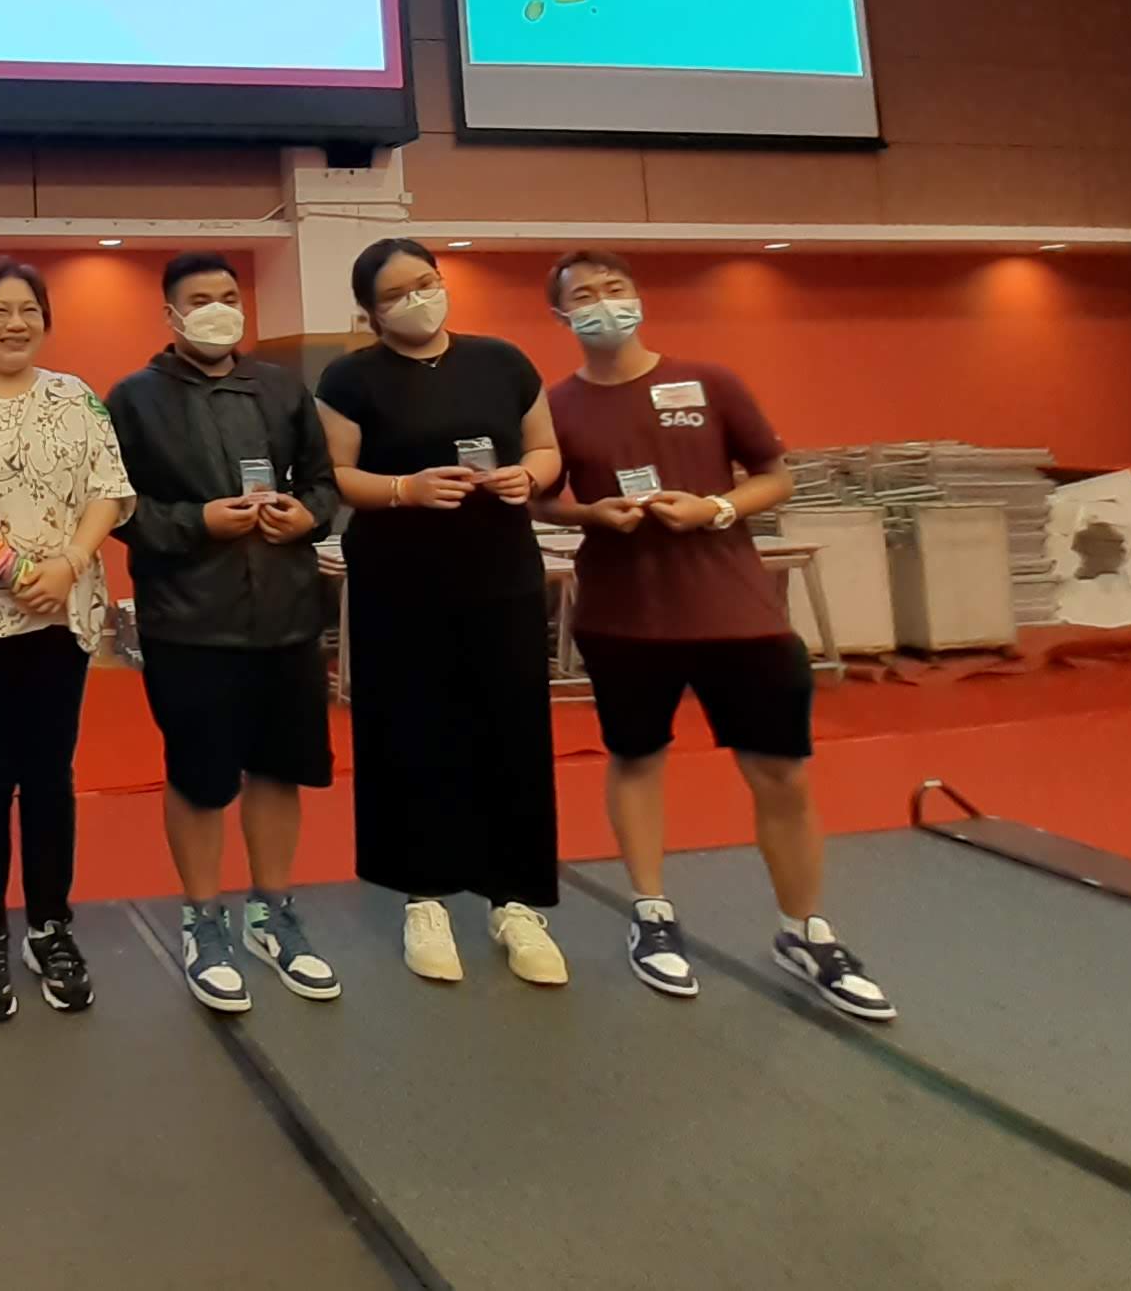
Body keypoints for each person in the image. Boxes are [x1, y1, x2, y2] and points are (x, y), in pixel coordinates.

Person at [538, 249, 894, 1021]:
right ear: (562, 316)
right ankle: (652, 914)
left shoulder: (710, 381)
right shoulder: (555, 406)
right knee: (636, 759)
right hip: (624, 618)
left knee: (782, 774)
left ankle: (805, 930)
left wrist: (717, 509)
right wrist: (590, 515)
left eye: (614, 288)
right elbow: (540, 499)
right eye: (584, 296)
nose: (603, 303)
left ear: (638, 296)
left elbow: (775, 474)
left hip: (737, 613)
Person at [314, 238, 567, 988]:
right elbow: (334, 474)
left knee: (512, 728)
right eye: (395, 294)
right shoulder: (350, 377)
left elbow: (546, 448)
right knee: (409, 730)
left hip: (500, 572)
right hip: (399, 579)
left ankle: (515, 899)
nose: (416, 300)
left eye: (425, 282)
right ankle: (422, 896)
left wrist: (527, 477)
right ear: (370, 312)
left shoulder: (502, 361)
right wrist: (405, 490)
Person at [107, 252, 343, 1014]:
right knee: (200, 779)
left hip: (286, 614)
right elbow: (116, 506)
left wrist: (308, 516)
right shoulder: (135, 399)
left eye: (229, 295)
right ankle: (203, 921)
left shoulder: (281, 386)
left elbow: (324, 482)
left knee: (279, 769)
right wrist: (198, 521)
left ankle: (273, 913)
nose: (219, 308)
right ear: (171, 315)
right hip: (190, 620)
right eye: (200, 298)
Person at [0, 258, 135, 1021]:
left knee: (49, 772)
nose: (15, 323)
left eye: (29, 310)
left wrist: (68, 565)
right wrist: (13, 570)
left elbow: (109, 489)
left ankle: (50, 926)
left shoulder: (76, 397)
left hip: (63, 611)